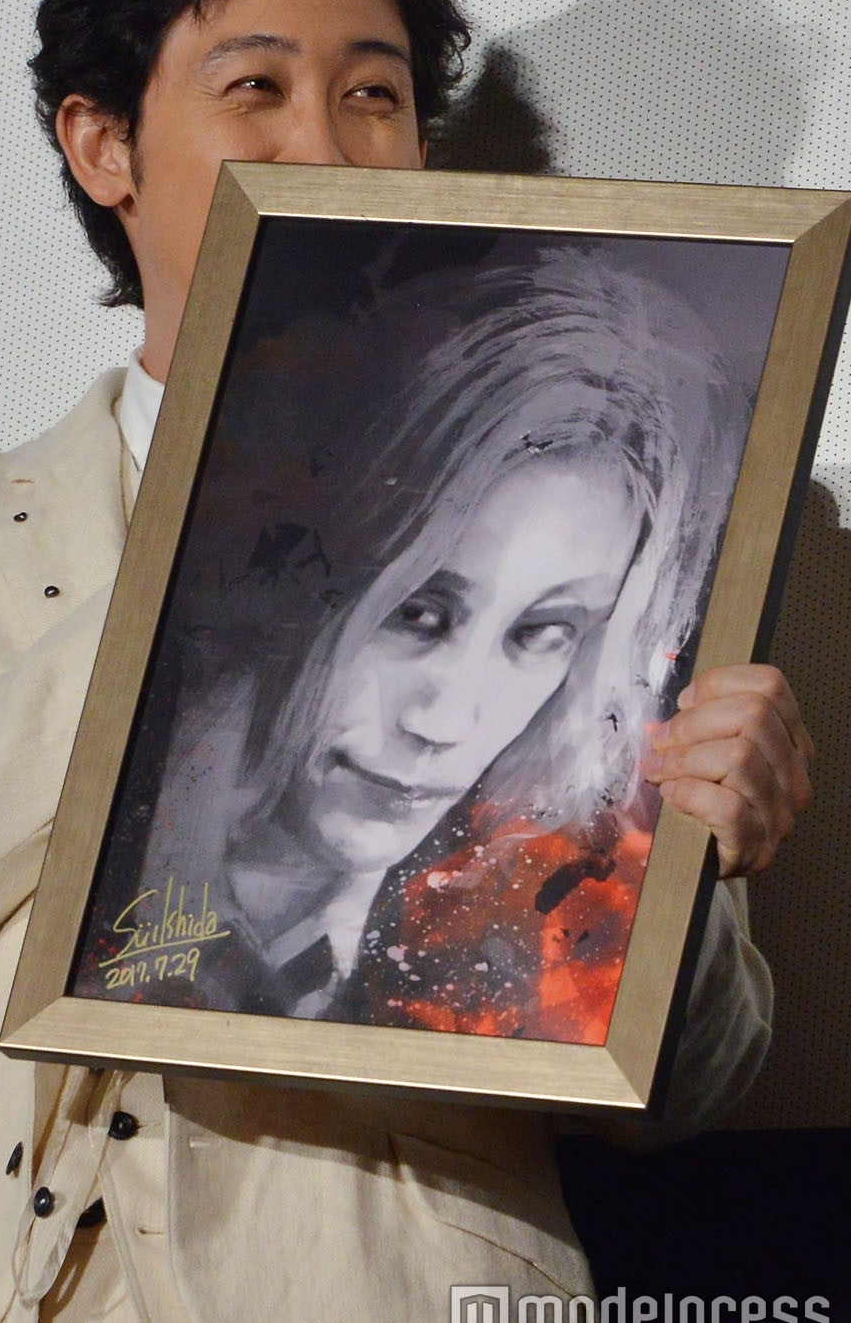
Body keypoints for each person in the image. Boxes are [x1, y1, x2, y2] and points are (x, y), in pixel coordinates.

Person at [0, 0, 810, 1323]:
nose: (326, 147)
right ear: (104, 146)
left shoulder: (586, 514)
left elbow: (679, 1094)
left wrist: (698, 857)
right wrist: (203, 571)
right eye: (256, 87)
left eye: (373, 95)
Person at [74, 244, 749, 1041]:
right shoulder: (105, 792)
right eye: (416, 612)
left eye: (541, 632)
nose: (443, 722)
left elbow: (692, 1085)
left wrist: (678, 883)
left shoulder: (556, 891)